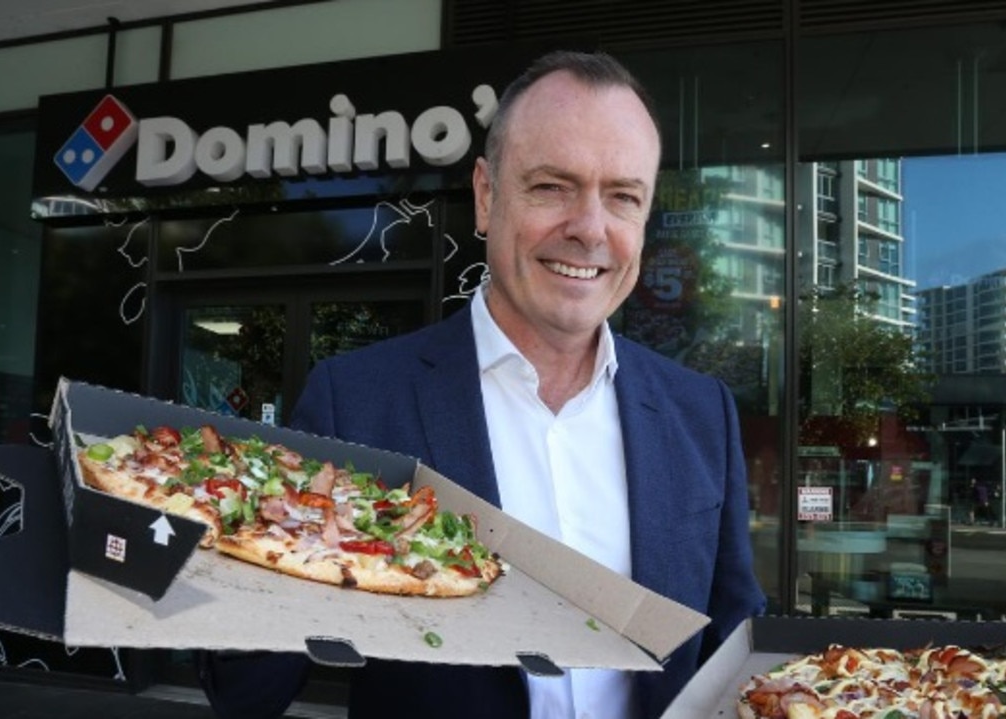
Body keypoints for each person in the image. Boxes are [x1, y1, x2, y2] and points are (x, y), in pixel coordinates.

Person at [199, 49, 766, 719]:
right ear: (486, 196)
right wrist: (208, 537)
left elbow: (736, 645)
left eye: (622, 196)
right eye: (553, 185)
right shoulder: (356, 401)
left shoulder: (701, 413)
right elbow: (244, 686)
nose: (589, 229)